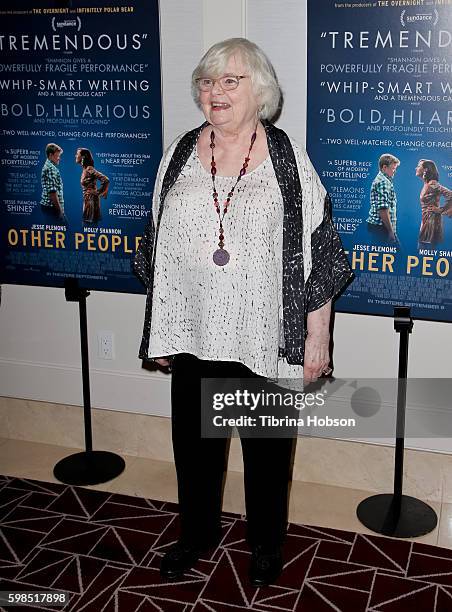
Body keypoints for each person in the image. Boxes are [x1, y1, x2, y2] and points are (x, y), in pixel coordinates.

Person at [134, 38, 352, 587]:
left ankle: (265, 544)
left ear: (262, 91)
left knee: (266, 455)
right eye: (208, 81)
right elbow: (156, 245)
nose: (216, 92)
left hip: (263, 337)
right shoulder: (180, 153)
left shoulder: (288, 158)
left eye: (231, 81)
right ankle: (197, 534)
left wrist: (317, 339)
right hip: (194, 332)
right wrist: (160, 330)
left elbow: (321, 252)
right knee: (195, 449)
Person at [416, 159, 452, 247]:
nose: (416, 168)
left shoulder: (432, 183)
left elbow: (450, 195)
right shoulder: (427, 183)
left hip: (431, 221)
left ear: (425, 169)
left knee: (425, 249)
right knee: (425, 249)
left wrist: (440, 210)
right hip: (427, 220)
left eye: (419, 166)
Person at [367, 154, 400, 244]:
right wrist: (390, 231)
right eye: (393, 168)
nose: (395, 171)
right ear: (384, 167)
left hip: (379, 227)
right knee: (398, 255)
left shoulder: (383, 180)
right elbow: (383, 209)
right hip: (382, 228)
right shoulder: (383, 182)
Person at [75, 148, 109, 223]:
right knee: (89, 225)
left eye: (77, 154)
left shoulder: (89, 169)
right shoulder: (85, 169)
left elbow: (106, 180)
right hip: (88, 200)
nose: (75, 156)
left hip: (91, 200)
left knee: (88, 224)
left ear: (83, 157)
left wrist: (98, 192)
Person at [40, 143, 66, 223]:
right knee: (65, 231)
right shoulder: (51, 168)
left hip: (50, 208)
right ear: (51, 155)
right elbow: (52, 193)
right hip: (52, 208)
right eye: (58, 156)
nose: (59, 158)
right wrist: (60, 212)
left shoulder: (49, 167)